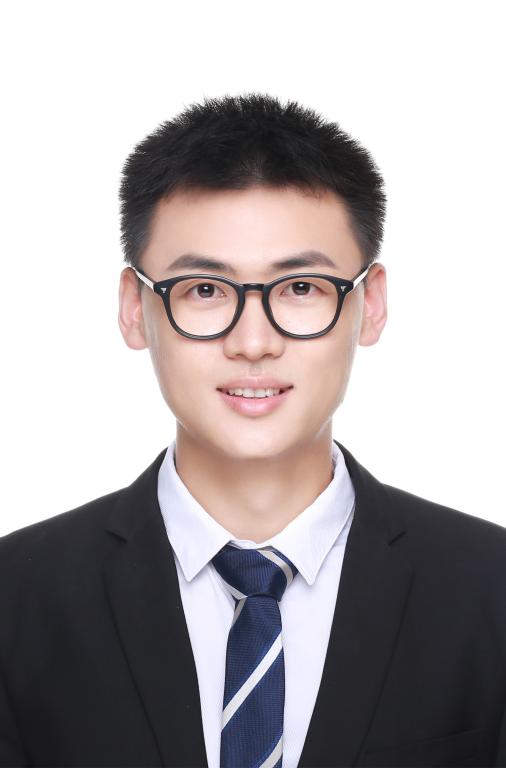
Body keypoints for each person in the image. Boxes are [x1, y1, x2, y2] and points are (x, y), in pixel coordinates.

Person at [0, 93, 505, 768]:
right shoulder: (17, 598)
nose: (254, 342)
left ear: (371, 304)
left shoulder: (490, 590)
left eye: (301, 288)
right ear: (134, 309)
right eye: (205, 291)